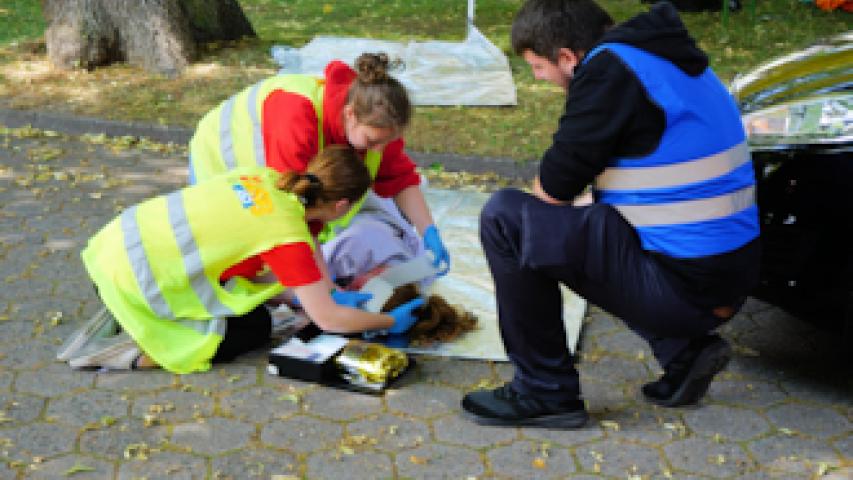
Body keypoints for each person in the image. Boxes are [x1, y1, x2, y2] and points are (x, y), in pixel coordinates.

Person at [461, 0, 761, 428]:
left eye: (537, 67)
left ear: (567, 57)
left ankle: (544, 391)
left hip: (688, 291)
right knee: (591, 223)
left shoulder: (607, 73)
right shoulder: (660, 59)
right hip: (724, 278)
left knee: (507, 219)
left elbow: (552, 190)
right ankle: (684, 352)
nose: (539, 79)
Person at [61, 146, 424, 374]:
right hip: (134, 279)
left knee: (251, 306)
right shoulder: (289, 234)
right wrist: (389, 318)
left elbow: (244, 262)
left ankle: (128, 311)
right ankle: (123, 352)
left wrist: (300, 294)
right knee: (251, 330)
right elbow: (328, 319)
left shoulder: (265, 178)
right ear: (342, 206)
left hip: (107, 250)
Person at [187, 51, 450, 276]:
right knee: (237, 260)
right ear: (350, 114)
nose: (381, 149)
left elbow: (400, 178)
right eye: (372, 141)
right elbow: (293, 213)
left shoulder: (375, 118)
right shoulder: (297, 118)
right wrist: (323, 294)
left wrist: (428, 231)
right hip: (220, 158)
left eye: (387, 141)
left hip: (280, 180)